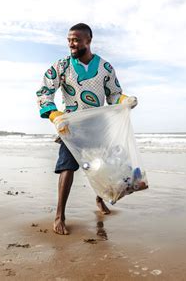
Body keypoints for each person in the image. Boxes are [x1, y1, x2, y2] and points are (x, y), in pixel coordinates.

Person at [36, 23, 138, 235]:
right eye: (69, 40)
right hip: (70, 128)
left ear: (88, 41)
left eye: (76, 40)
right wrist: (55, 116)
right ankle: (59, 215)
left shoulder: (105, 68)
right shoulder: (62, 66)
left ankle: (100, 200)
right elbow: (44, 92)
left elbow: (113, 95)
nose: (71, 44)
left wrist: (126, 99)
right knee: (66, 168)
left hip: (98, 128)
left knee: (100, 167)